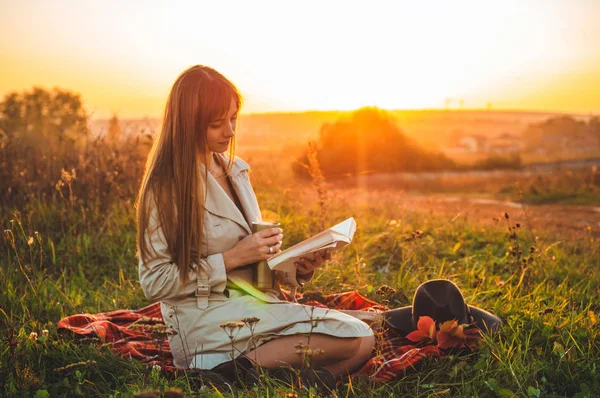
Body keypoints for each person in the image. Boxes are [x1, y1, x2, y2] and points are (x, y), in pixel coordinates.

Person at [136, 65, 374, 383]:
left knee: (364, 340)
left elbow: (252, 271)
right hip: (204, 320)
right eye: (217, 124)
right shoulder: (166, 189)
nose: (230, 131)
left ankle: (269, 380)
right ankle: (234, 373)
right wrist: (234, 257)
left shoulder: (236, 172)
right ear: (187, 124)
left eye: (234, 118)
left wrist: (296, 267)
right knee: (355, 336)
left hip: (251, 303)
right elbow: (154, 282)